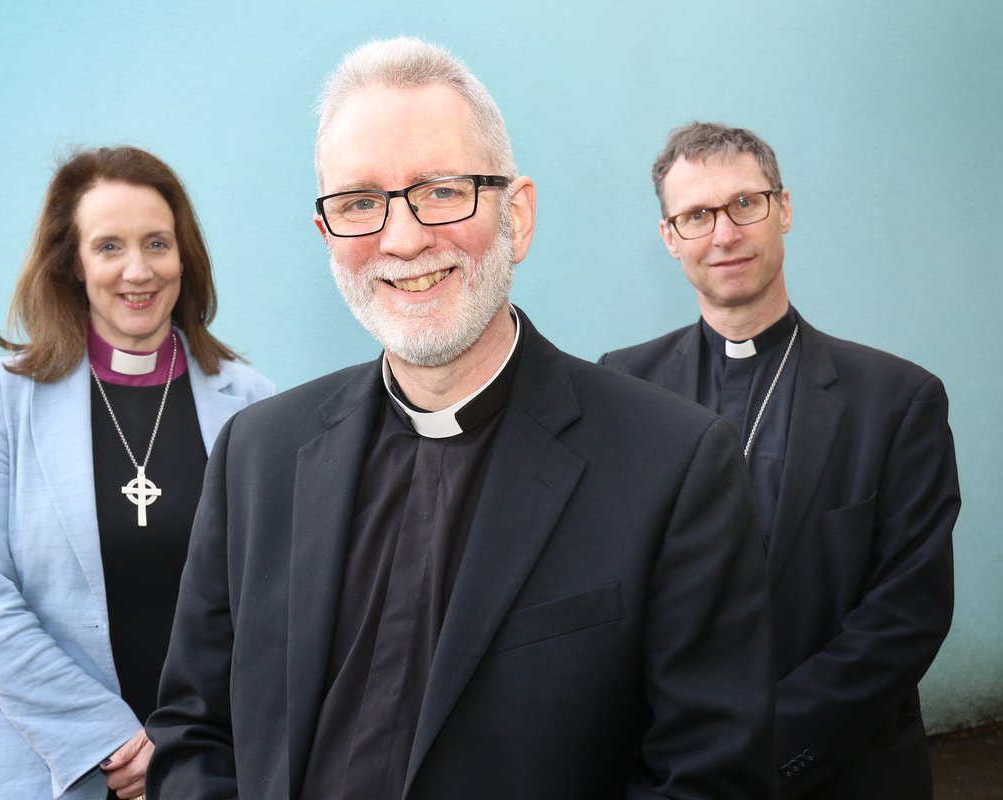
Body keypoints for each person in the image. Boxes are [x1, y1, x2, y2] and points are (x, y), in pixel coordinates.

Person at [146, 39, 776, 799]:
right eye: (359, 203)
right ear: (327, 237)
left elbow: (708, 779)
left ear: (518, 214)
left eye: (442, 190)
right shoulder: (258, 453)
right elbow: (193, 733)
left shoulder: (673, 465)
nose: (402, 238)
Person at [600, 122, 960, 799]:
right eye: (696, 215)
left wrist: (762, 753)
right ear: (670, 238)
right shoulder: (622, 388)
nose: (725, 234)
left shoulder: (897, 400)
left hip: (839, 767)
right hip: (668, 769)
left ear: (783, 209)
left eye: (745, 203)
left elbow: (905, 617)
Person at [0, 146, 274, 800]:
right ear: (71, 263)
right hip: (37, 764)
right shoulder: (4, 399)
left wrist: (179, 743)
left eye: (157, 243)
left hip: (206, 769)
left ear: (185, 257)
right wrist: (113, 742)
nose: (138, 270)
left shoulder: (257, 405)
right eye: (108, 247)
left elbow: (274, 604)